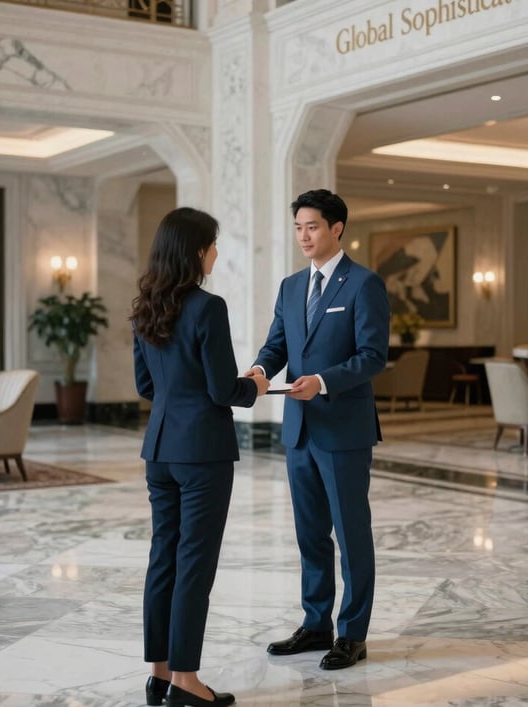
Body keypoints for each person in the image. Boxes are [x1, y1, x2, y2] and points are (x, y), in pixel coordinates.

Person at [244, 189, 390, 670]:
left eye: (312, 227)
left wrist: (325, 382)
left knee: (351, 535)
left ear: (337, 229)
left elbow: (372, 356)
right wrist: (261, 371)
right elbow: (277, 345)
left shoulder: (363, 284)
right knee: (310, 535)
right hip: (299, 431)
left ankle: (352, 632)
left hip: (344, 431)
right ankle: (315, 624)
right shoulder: (290, 287)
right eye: (298, 227)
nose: (304, 236)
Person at [131, 207, 270, 707]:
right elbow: (221, 389)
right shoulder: (208, 308)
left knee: (162, 560)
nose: (216, 253)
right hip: (203, 455)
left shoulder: (145, 306)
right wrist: (254, 385)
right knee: (194, 565)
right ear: (196, 251)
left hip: (160, 451)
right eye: (212, 244)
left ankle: (160, 674)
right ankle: (188, 681)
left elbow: (146, 385)